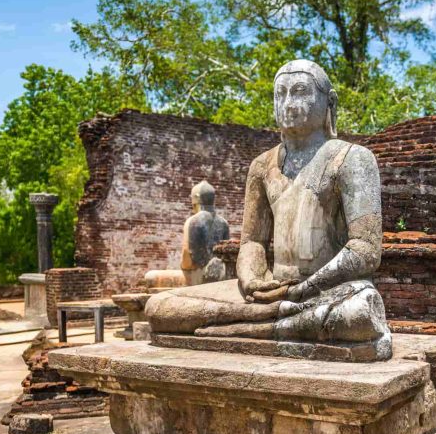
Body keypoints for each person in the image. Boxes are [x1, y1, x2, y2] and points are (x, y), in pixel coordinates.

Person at [144, 59, 392, 360]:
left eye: (300, 91)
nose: (288, 103)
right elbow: (252, 242)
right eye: (281, 93)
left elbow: (365, 249)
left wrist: (307, 287)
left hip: (328, 290)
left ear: (330, 101)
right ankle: (274, 323)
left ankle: (248, 326)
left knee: (358, 314)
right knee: (160, 308)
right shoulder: (261, 166)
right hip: (273, 293)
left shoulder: (352, 159)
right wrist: (252, 280)